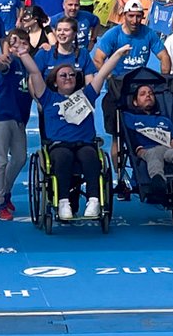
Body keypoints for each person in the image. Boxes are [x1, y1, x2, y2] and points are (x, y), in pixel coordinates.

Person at [30, 42, 128, 221]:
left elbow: (103, 72)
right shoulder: (47, 97)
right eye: (63, 75)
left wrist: (118, 54)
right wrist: (23, 54)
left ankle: (93, 200)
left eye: (71, 75)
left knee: (90, 156)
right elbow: (35, 73)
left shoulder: (87, 95)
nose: (68, 77)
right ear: (54, 80)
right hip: (59, 145)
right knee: (63, 157)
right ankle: (63, 202)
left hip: (85, 143)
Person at [94, 0, 172, 176]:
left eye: (139, 17)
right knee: (117, 137)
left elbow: (164, 56)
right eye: (131, 16)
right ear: (124, 16)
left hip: (140, 89)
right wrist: (110, 77)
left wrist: (165, 78)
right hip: (118, 90)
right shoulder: (113, 35)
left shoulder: (148, 34)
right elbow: (98, 59)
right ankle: (120, 177)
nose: (135, 21)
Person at [0, 28, 36, 221]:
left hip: (19, 117)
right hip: (1, 115)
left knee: (20, 157)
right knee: (0, 160)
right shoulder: (11, 62)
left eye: (24, 44)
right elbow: (0, 65)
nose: (20, 48)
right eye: (17, 44)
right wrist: (3, 58)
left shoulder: (30, 65)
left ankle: (5, 190)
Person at [124, 83, 173, 190]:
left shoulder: (165, 120)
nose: (148, 96)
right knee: (154, 153)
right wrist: (138, 149)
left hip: (167, 149)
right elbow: (129, 136)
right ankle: (158, 180)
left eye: (151, 94)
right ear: (135, 102)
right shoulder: (130, 118)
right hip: (147, 150)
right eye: (142, 94)